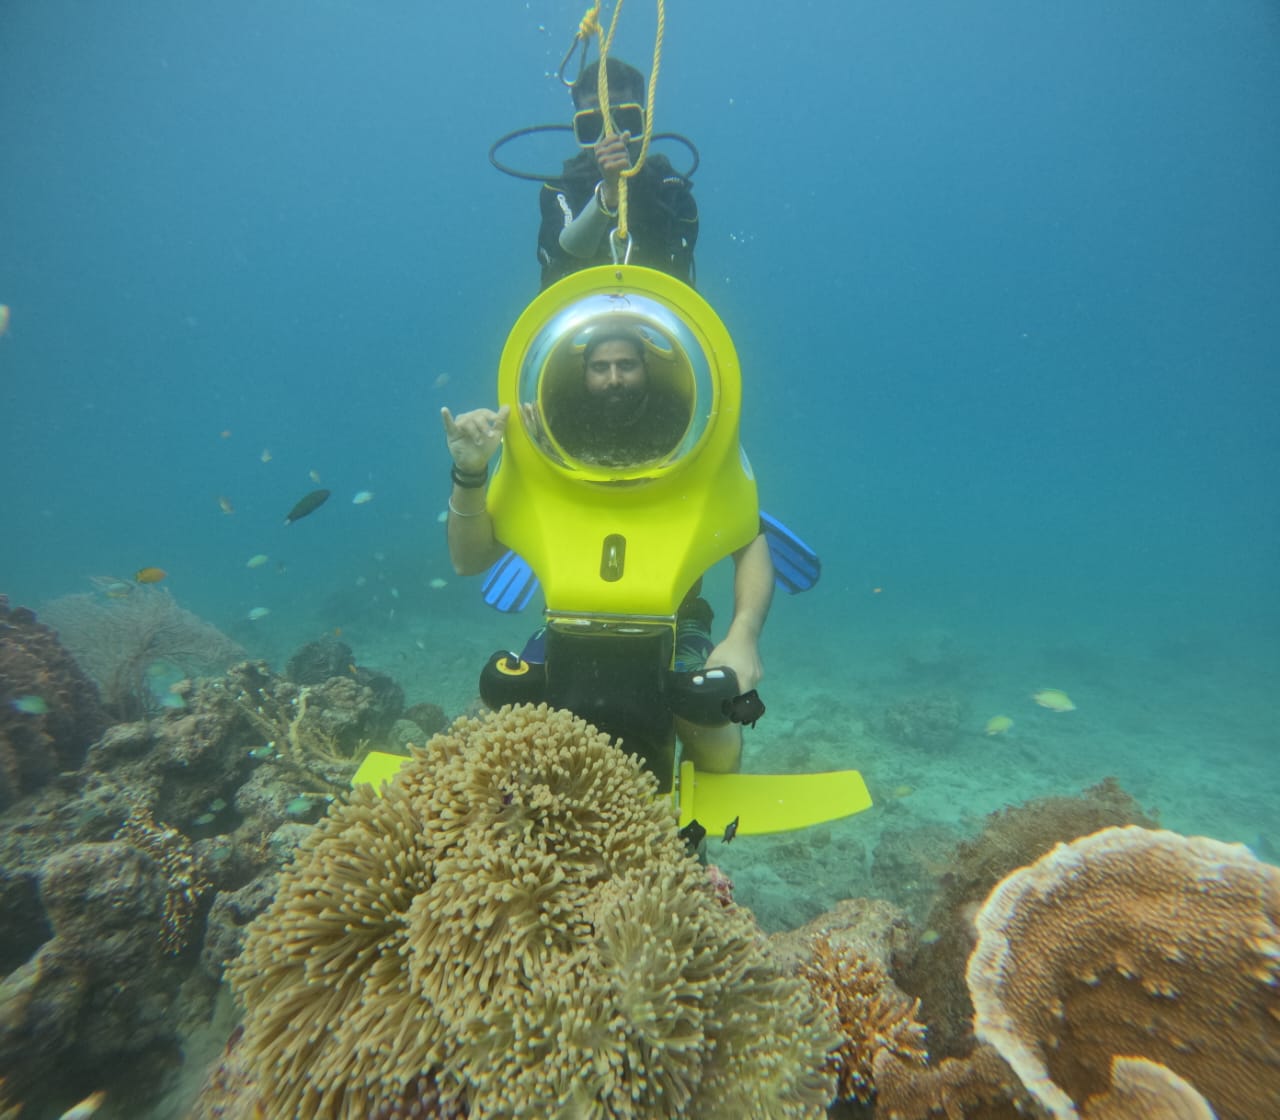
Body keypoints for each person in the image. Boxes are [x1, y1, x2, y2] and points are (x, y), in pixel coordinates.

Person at [440, 376, 772, 773]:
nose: (614, 377)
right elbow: (469, 559)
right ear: (579, 373)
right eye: (599, 366)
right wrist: (471, 470)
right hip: (570, 623)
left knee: (709, 720)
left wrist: (743, 637)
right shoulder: (543, 455)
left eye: (627, 364)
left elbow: (749, 538)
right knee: (522, 717)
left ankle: (695, 828)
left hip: (677, 622)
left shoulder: (694, 449)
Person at [538, 57, 699, 290]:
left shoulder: (672, 192)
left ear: (644, 123)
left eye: (625, 120)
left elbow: (676, 281)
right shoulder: (559, 192)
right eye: (593, 125)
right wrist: (607, 195)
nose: (610, 135)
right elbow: (565, 257)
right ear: (578, 131)